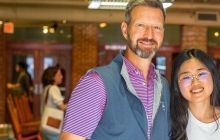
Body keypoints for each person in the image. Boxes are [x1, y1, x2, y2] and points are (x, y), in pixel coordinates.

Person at [60, 0, 170, 139]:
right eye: (141, 25)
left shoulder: (163, 86)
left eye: (156, 27)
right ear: (125, 30)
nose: (149, 35)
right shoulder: (96, 84)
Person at [169, 49, 220, 140]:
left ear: (213, 76)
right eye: (186, 77)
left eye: (201, 74)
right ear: (177, 84)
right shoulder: (170, 122)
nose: (195, 83)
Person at [40, 66, 67, 140]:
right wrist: (76, 104)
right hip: (53, 125)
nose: (62, 76)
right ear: (52, 77)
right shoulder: (54, 88)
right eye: (59, 74)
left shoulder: (47, 88)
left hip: (46, 123)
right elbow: (62, 106)